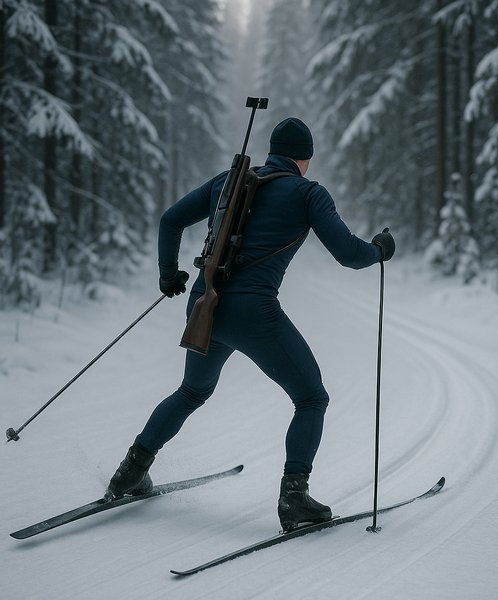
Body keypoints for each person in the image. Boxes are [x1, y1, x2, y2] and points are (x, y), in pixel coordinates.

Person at [105, 117, 395, 531]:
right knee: (312, 398)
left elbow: (170, 220)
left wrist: (168, 274)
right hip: (254, 313)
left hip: (205, 306)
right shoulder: (308, 193)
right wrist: (379, 250)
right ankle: (294, 497)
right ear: (304, 158)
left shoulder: (230, 181)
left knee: (191, 392)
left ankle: (130, 471)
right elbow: (349, 254)